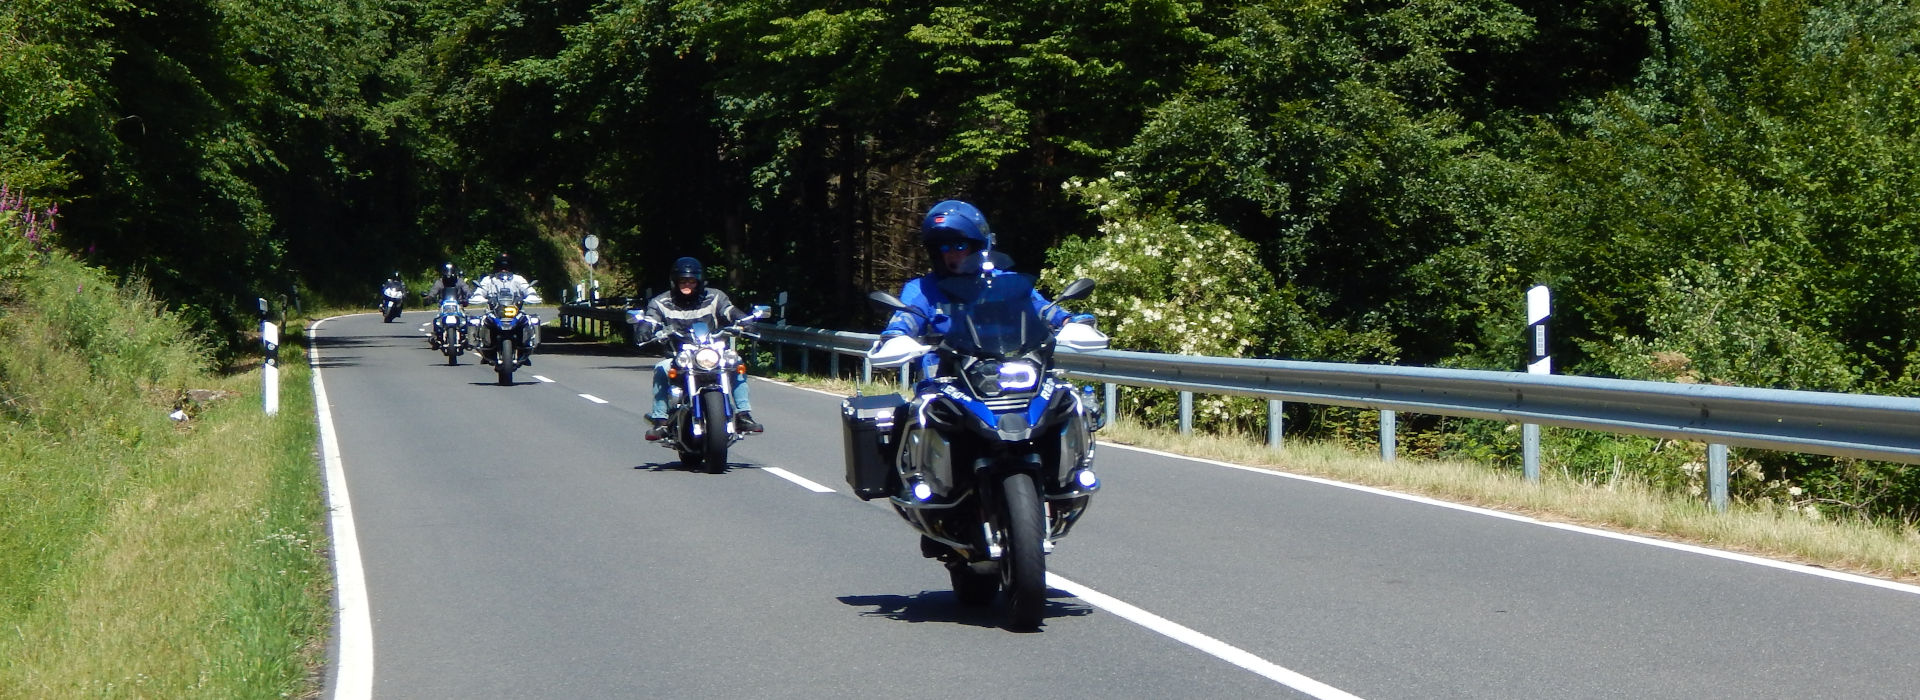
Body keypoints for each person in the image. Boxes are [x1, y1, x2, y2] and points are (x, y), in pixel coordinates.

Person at [879, 199, 1093, 376]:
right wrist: (896, 335)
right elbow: (905, 318)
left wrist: (1067, 320)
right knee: (919, 413)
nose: (952, 252)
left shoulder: (1006, 283)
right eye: (944, 247)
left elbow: (1040, 306)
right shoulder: (922, 289)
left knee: (1065, 401)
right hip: (946, 382)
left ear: (977, 246)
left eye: (959, 245)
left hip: (1010, 372)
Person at [632, 256, 763, 440]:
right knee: (661, 368)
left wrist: (744, 322)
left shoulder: (714, 297)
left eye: (691, 281)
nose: (687, 284)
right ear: (674, 281)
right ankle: (660, 421)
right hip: (679, 355)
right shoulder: (661, 302)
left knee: (737, 363)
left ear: (699, 281)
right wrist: (644, 329)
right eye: (683, 281)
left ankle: (743, 415)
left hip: (712, 353)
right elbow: (650, 319)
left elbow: (729, 310)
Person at [469, 254, 542, 365]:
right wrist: (478, 296)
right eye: (501, 267)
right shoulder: (489, 280)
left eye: (506, 267)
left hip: (515, 312)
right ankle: (484, 346)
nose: (504, 270)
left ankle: (526, 346)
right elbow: (480, 291)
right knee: (478, 321)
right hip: (494, 312)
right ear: (496, 267)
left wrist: (531, 295)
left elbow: (528, 289)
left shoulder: (518, 279)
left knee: (532, 320)